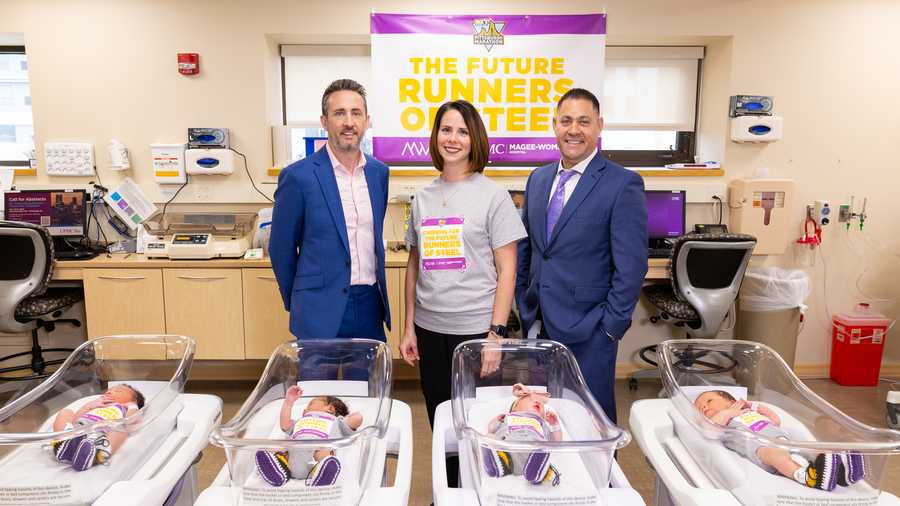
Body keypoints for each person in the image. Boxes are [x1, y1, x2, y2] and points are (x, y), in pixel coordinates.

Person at [399, 100, 527, 484]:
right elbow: (414, 264)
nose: (452, 139)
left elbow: (508, 269)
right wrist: (409, 326)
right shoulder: (422, 197)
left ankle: (479, 490)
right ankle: (448, 489)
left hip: (475, 332)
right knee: (440, 421)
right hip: (429, 328)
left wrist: (495, 335)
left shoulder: (493, 195)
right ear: (435, 137)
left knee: (477, 424)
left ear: (474, 140)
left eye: (462, 131)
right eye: (445, 130)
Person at [516, 88, 648, 423]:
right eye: (566, 121)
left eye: (584, 121)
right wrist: (523, 301)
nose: (574, 129)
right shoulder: (538, 178)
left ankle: (602, 477)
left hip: (591, 330)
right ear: (554, 125)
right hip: (540, 323)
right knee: (544, 416)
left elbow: (631, 268)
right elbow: (527, 247)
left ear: (599, 126)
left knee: (592, 422)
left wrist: (610, 328)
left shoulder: (622, 184)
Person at [270, 79, 390, 344]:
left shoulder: (379, 173)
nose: (349, 122)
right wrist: (301, 298)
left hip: (370, 305)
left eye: (356, 113)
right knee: (317, 387)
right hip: (317, 308)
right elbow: (281, 249)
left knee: (366, 386)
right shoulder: (298, 177)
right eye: (339, 113)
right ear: (324, 121)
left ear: (367, 120)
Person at [694, 390, 866, 491]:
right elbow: (711, 431)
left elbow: (775, 420)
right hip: (760, 448)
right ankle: (806, 476)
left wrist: (755, 407)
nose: (704, 406)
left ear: (731, 401)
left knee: (804, 442)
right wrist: (730, 413)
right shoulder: (722, 420)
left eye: (709, 400)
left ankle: (837, 467)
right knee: (776, 455)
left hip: (781, 437)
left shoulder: (748, 412)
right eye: (700, 407)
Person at [255, 386, 363, 487]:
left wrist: (353, 416)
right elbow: (284, 425)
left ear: (330, 409)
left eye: (310, 404)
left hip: (315, 457)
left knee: (325, 453)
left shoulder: (337, 422)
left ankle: (322, 472)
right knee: (280, 447)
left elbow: (357, 419)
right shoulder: (300, 421)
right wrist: (289, 402)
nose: (305, 409)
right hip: (293, 454)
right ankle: (279, 471)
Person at [482, 383, 562, 487]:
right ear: (515, 408)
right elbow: (491, 429)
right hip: (507, 452)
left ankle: (537, 473)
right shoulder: (508, 417)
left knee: (544, 449)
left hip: (533, 455)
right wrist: (496, 420)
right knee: (489, 437)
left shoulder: (542, 424)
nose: (537, 402)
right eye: (530, 401)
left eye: (542, 405)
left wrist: (554, 425)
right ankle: (498, 464)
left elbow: (557, 442)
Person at [50, 384, 145, 472]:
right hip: (77, 431)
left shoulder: (125, 409)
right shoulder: (97, 404)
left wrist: (132, 406)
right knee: (65, 412)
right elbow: (75, 419)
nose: (110, 391)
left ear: (133, 400)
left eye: (118, 391)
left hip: (99, 437)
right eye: (109, 390)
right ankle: (63, 443)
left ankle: (94, 455)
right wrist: (89, 405)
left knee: (122, 431)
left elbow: (131, 422)